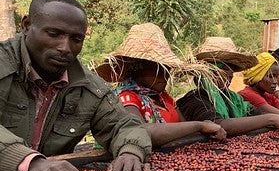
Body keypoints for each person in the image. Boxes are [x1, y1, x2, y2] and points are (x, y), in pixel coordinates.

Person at [0, 0, 152, 171]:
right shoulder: (4, 64)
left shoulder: (89, 87)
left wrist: (130, 152)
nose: (65, 48)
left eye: (76, 39)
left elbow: (125, 125)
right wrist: (30, 162)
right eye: (54, 34)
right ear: (26, 26)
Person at [96, 24, 226, 147]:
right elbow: (141, 131)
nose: (166, 74)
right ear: (137, 67)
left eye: (167, 68)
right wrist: (199, 126)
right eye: (158, 68)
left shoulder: (164, 98)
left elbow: (184, 126)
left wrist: (206, 128)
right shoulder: (125, 98)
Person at [176, 37, 279, 136]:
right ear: (209, 71)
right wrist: (271, 119)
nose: (230, 74)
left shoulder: (231, 98)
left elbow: (255, 114)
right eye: (225, 69)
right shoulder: (196, 98)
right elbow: (219, 125)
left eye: (232, 70)